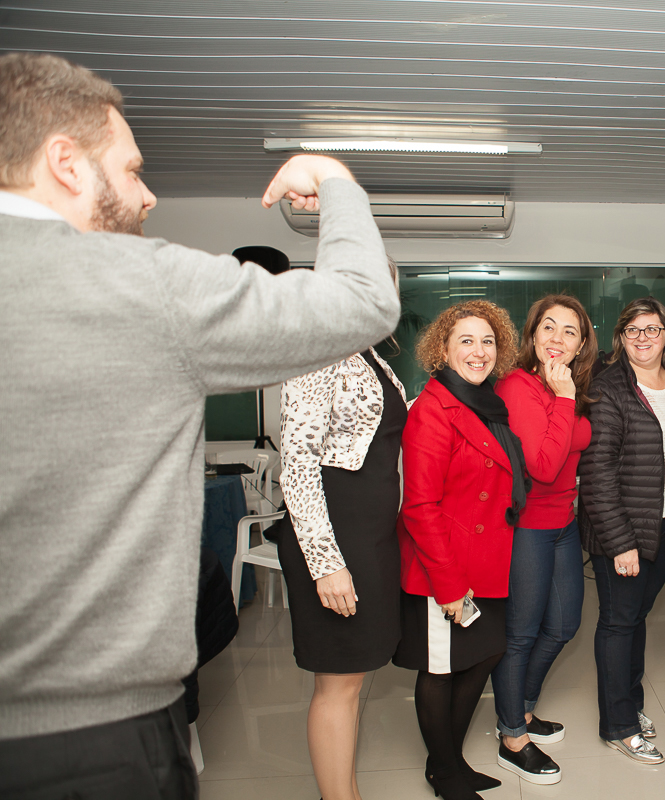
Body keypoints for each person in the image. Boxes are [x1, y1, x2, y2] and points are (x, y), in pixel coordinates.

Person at [0, 54, 399, 798]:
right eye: (131, 168)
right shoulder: (139, 282)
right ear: (64, 163)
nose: (148, 196)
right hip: (91, 727)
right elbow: (360, 302)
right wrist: (336, 177)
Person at [394, 301, 524, 800]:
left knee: (486, 652)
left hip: (487, 561)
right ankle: (444, 771)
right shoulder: (433, 409)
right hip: (445, 569)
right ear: (442, 350)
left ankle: (450, 758)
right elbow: (419, 507)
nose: (479, 351)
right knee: (442, 669)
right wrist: (448, 586)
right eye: (466, 341)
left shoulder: (488, 404)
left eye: (488, 341)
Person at [276, 328, 407, 800]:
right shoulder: (317, 353)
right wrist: (326, 563)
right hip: (335, 534)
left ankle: (345, 791)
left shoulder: (370, 356)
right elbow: (298, 466)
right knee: (338, 681)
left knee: (352, 678)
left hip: (369, 533)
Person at [492, 294, 597, 784]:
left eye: (569, 331)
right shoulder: (519, 387)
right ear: (532, 335)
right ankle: (512, 736)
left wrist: (567, 395)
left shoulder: (568, 384)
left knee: (563, 624)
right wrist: (565, 399)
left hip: (564, 522)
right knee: (522, 634)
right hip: (528, 525)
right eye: (549, 328)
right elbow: (542, 465)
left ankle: (524, 708)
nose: (557, 338)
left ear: (581, 344)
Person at [578, 297, 665, 765]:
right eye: (633, 330)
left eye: (652, 328)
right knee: (619, 623)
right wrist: (620, 544)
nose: (643, 337)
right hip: (622, 532)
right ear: (621, 338)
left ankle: (630, 703)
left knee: (636, 617)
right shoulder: (608, 390)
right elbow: (597, 474)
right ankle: (618, 724)